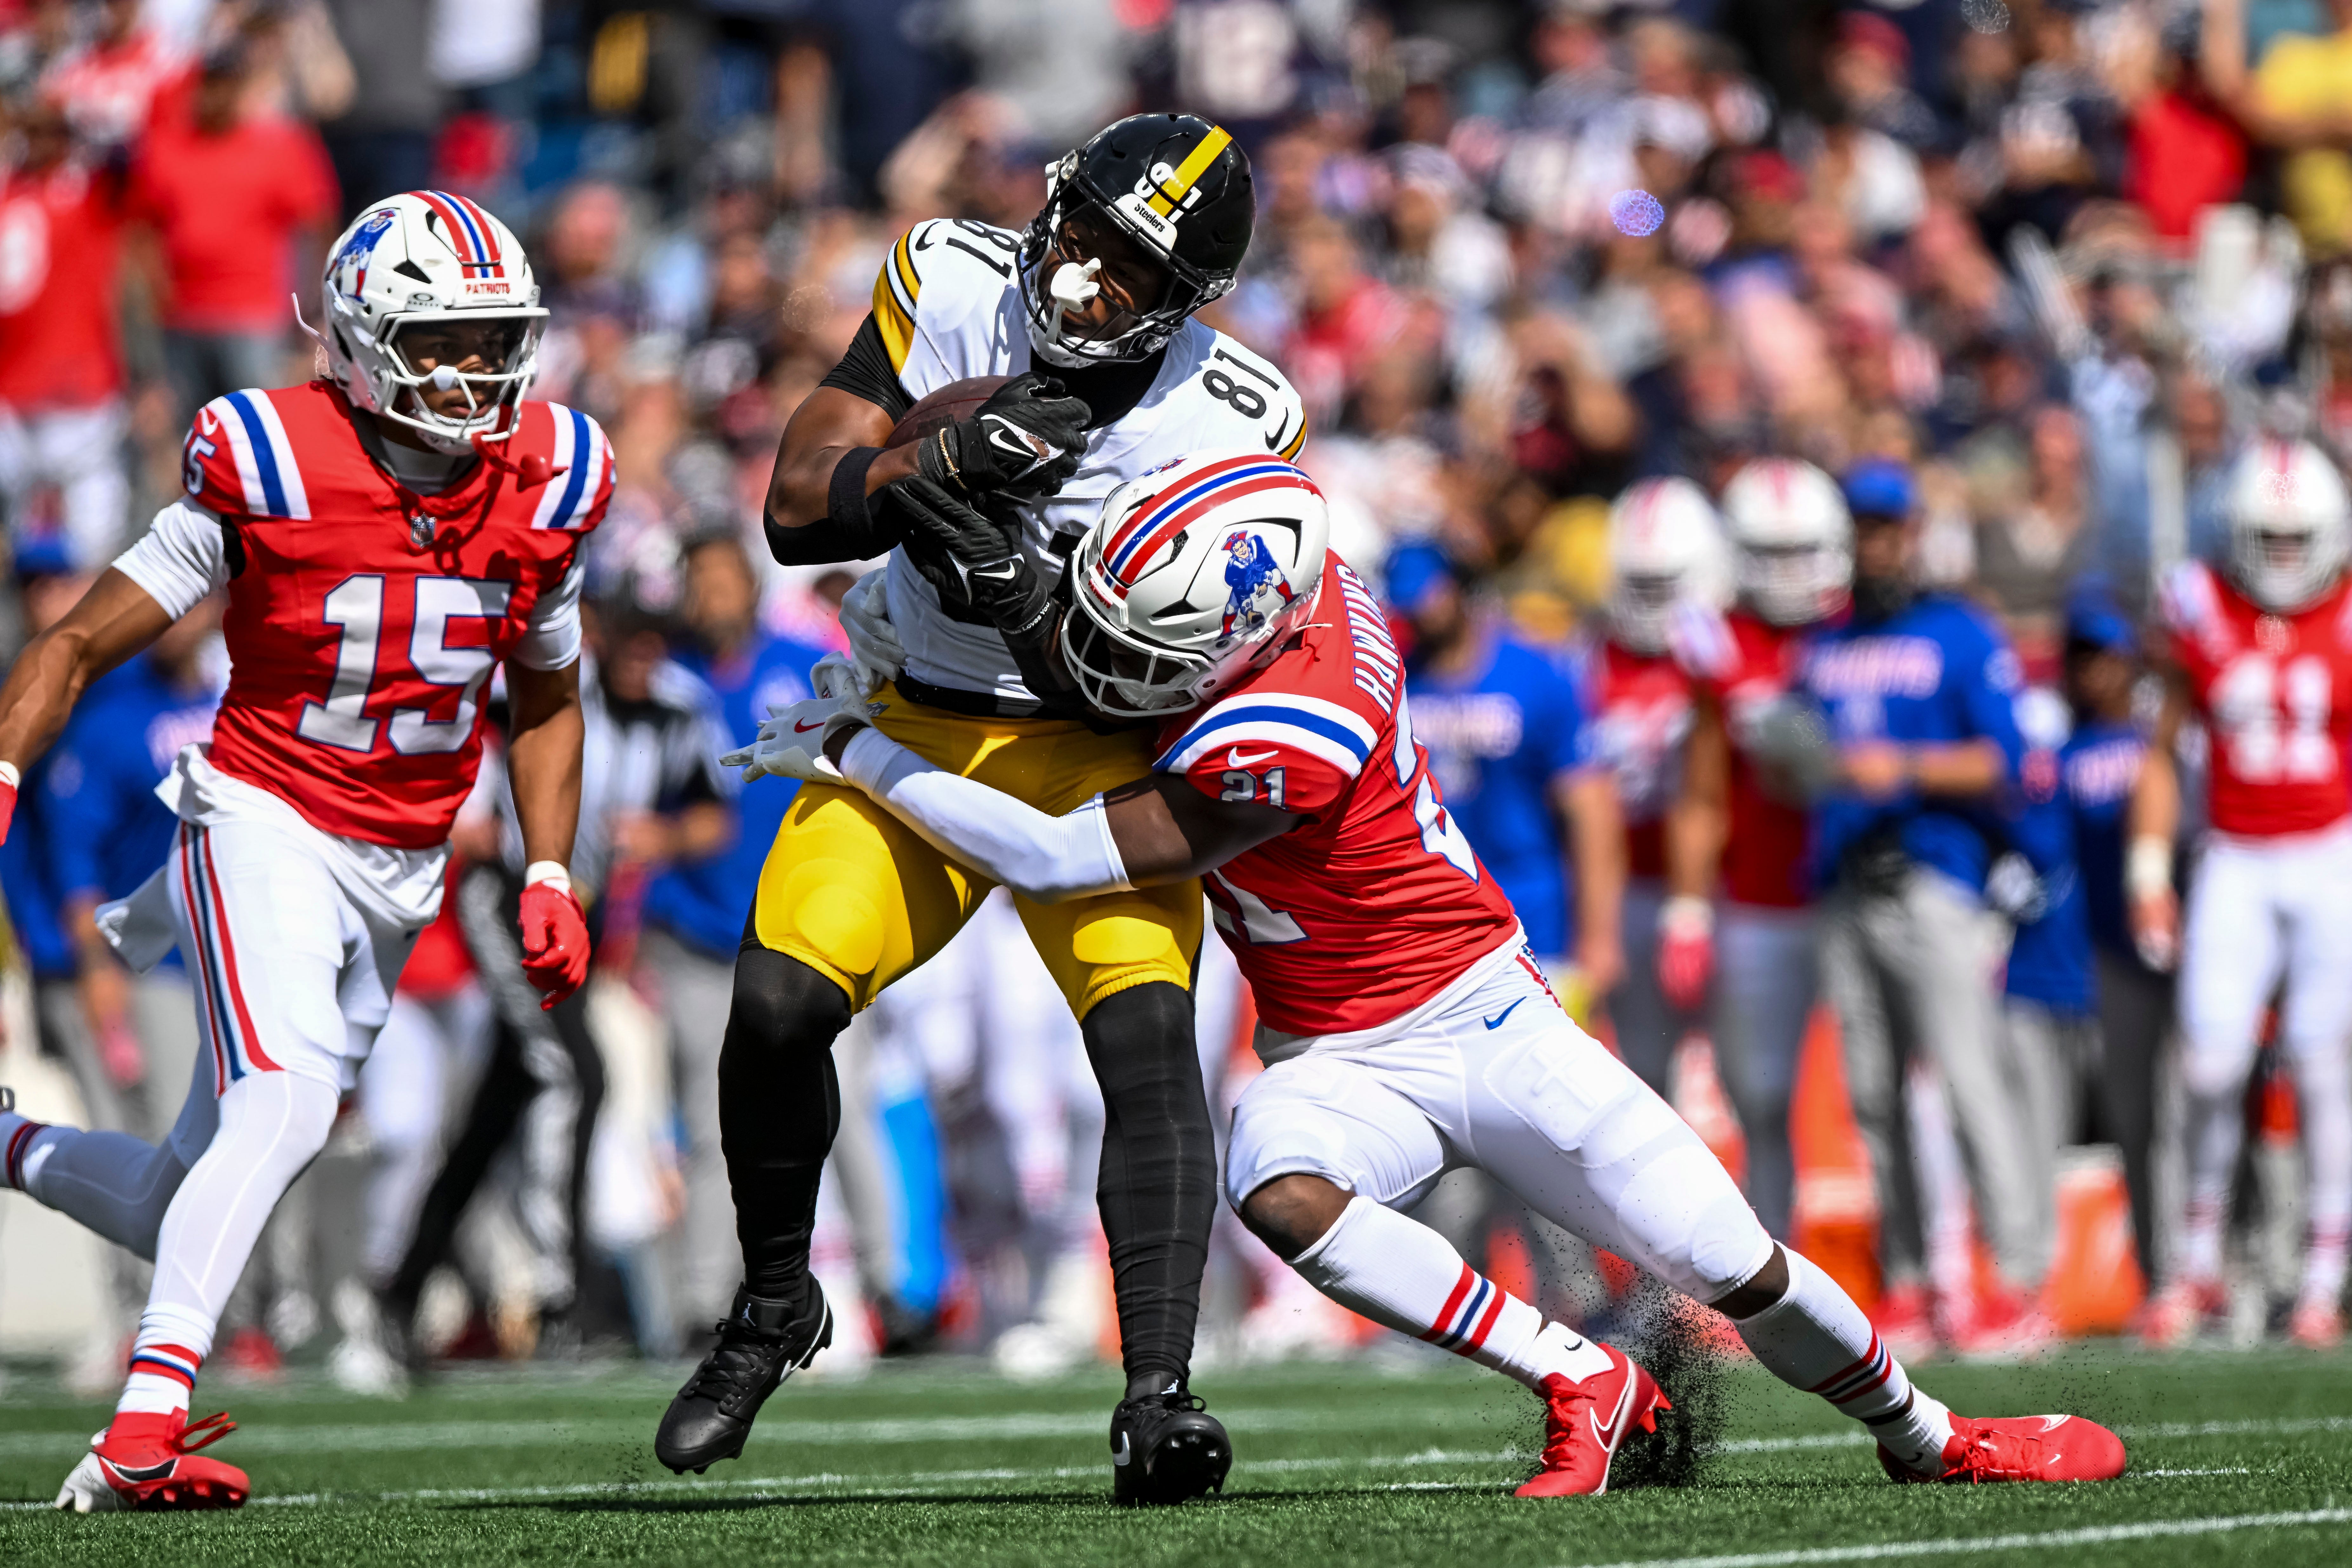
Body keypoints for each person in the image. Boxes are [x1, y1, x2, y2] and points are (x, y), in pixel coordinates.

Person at [732, 449, 2129, 1494]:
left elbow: (1048, 852)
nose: (1119, 656)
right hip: (1338, 1053)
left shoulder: (1291, 724)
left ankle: (1929, 1432)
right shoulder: (1307, 589)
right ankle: (1578, 1372)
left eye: (1153, 636)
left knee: (1730, 1262)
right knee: (1274, 1179)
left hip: (1484, 1016)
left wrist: (858, 746)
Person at [658, 112, 1302, 1505]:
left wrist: (1038, 604)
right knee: (774, 1004)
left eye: (1125, 276)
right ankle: (775, 1303)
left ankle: (1157, 1393)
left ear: (1183, 306)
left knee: (1146, 1050)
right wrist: (917, 477)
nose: (1077, 285)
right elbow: (793, 508)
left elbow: (1198, 665)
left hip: (1093, 741)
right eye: (1075, 240)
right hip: (915, 717)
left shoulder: (1234, 419)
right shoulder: (952, 272)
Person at [0, 189, 608, 1512]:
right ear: (363, 335)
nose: (473, 370)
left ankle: (5, 1144)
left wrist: (550, 866)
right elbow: (70, 645)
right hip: (261, 809)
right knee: (283, 1104)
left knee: (191, 1195)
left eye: (491, 338)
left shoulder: (554, 473)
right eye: (441, 341)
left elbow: (549, 691)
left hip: (403, 859)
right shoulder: (266, 454)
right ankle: (142, 1422)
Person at [373, 579, 731, 1366]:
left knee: (500, 1109)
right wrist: (455, 816)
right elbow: (436, 716)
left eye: (656, 637)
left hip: (581, 911)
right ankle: (561, 1294)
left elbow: (715, 811)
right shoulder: (544, 680)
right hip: (506, 894)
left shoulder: (679, 707)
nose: (645, 653)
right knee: (576, 1073)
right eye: (631, 634)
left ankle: (402, 1288)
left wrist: (663, 838)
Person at [1799, 459, 2053, 1356]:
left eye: (1886, 527)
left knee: (1968, 1080)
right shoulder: (1822, 641)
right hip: (1846, 880)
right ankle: (1908, 1278)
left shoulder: (1958, 630)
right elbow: (1800, 761)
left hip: (1932, 875)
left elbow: (2012, 759)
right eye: (1861, 528)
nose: (1875, 544)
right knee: (1872, 1096)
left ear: (1908, 532)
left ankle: (2019, 1278)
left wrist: (1902, 770)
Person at [2131, 437, 2352, 1349]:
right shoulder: (2196, 603)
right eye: (2269, 536)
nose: (2284, 556)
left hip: (2327, 847)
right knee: (2209, 1062)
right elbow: (2160, 747)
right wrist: (2149, 871)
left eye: (2298, 537)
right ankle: (2193, 1265)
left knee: (2320, 1057)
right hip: (2232, 849)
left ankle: (2319, 1277)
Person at [639, 528, 832, 1341]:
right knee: (709, 1117)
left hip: (805, 928)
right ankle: (703, 1301)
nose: (714, 595)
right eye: (701, 579)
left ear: (752, 587)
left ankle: (895, 1289)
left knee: (840, 1109)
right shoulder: (663, 677)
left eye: (725, 578)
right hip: (695, 930)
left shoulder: (807, 665)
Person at [1663, 458, 1851, 1247]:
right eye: (1766, 555)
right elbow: (1702, 788)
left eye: (1799, 552)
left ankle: (1929, 1269)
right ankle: (1781, 1254)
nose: (1784, 574)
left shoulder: (1862, 631)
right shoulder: (1718, 642)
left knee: (1893, 1090)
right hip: (1760, 898)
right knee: (1761, 1092)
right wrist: (1687, 907)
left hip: (1853, 893)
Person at [1389, 541, 1622, 1019]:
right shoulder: (1395, 679)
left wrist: (1599, 934)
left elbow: (1590, 807)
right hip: (1436, 919)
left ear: (1460, 588)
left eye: (1430, 599)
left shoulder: (1535, 674)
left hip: (1534, 910)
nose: (1422, 616)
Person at [1582, 477, 1725, 1095]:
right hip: (1630, 887)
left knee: (1740, 1077)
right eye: (1638, 584)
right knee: (1643, 1074)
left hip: (1723, 890)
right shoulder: (1591, 656)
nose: (1649, 602)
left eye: (1663, 584)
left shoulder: (1723, 653)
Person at [0, 95, 134, 570]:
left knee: (92, 550)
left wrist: (84, 125)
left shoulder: (88, 193)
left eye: (49, 132)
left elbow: (129, 159)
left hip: (80, 390)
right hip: (14, 393)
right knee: (23, 557)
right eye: (32, 131)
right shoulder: (12, 192)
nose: (37, 142)